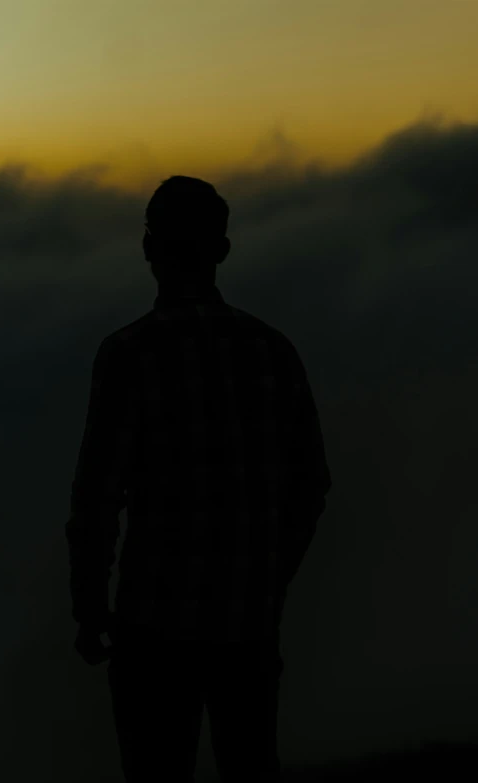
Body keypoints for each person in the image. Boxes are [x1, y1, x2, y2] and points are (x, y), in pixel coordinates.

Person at [65, 175, 332, 782]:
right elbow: (311, 482)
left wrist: (89, 606)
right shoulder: (272, 350)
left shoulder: (129, 354)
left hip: (153, 628)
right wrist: (268, 576)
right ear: (223, 250)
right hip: (249, 627)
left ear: (148, 249)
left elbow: (99, 496)